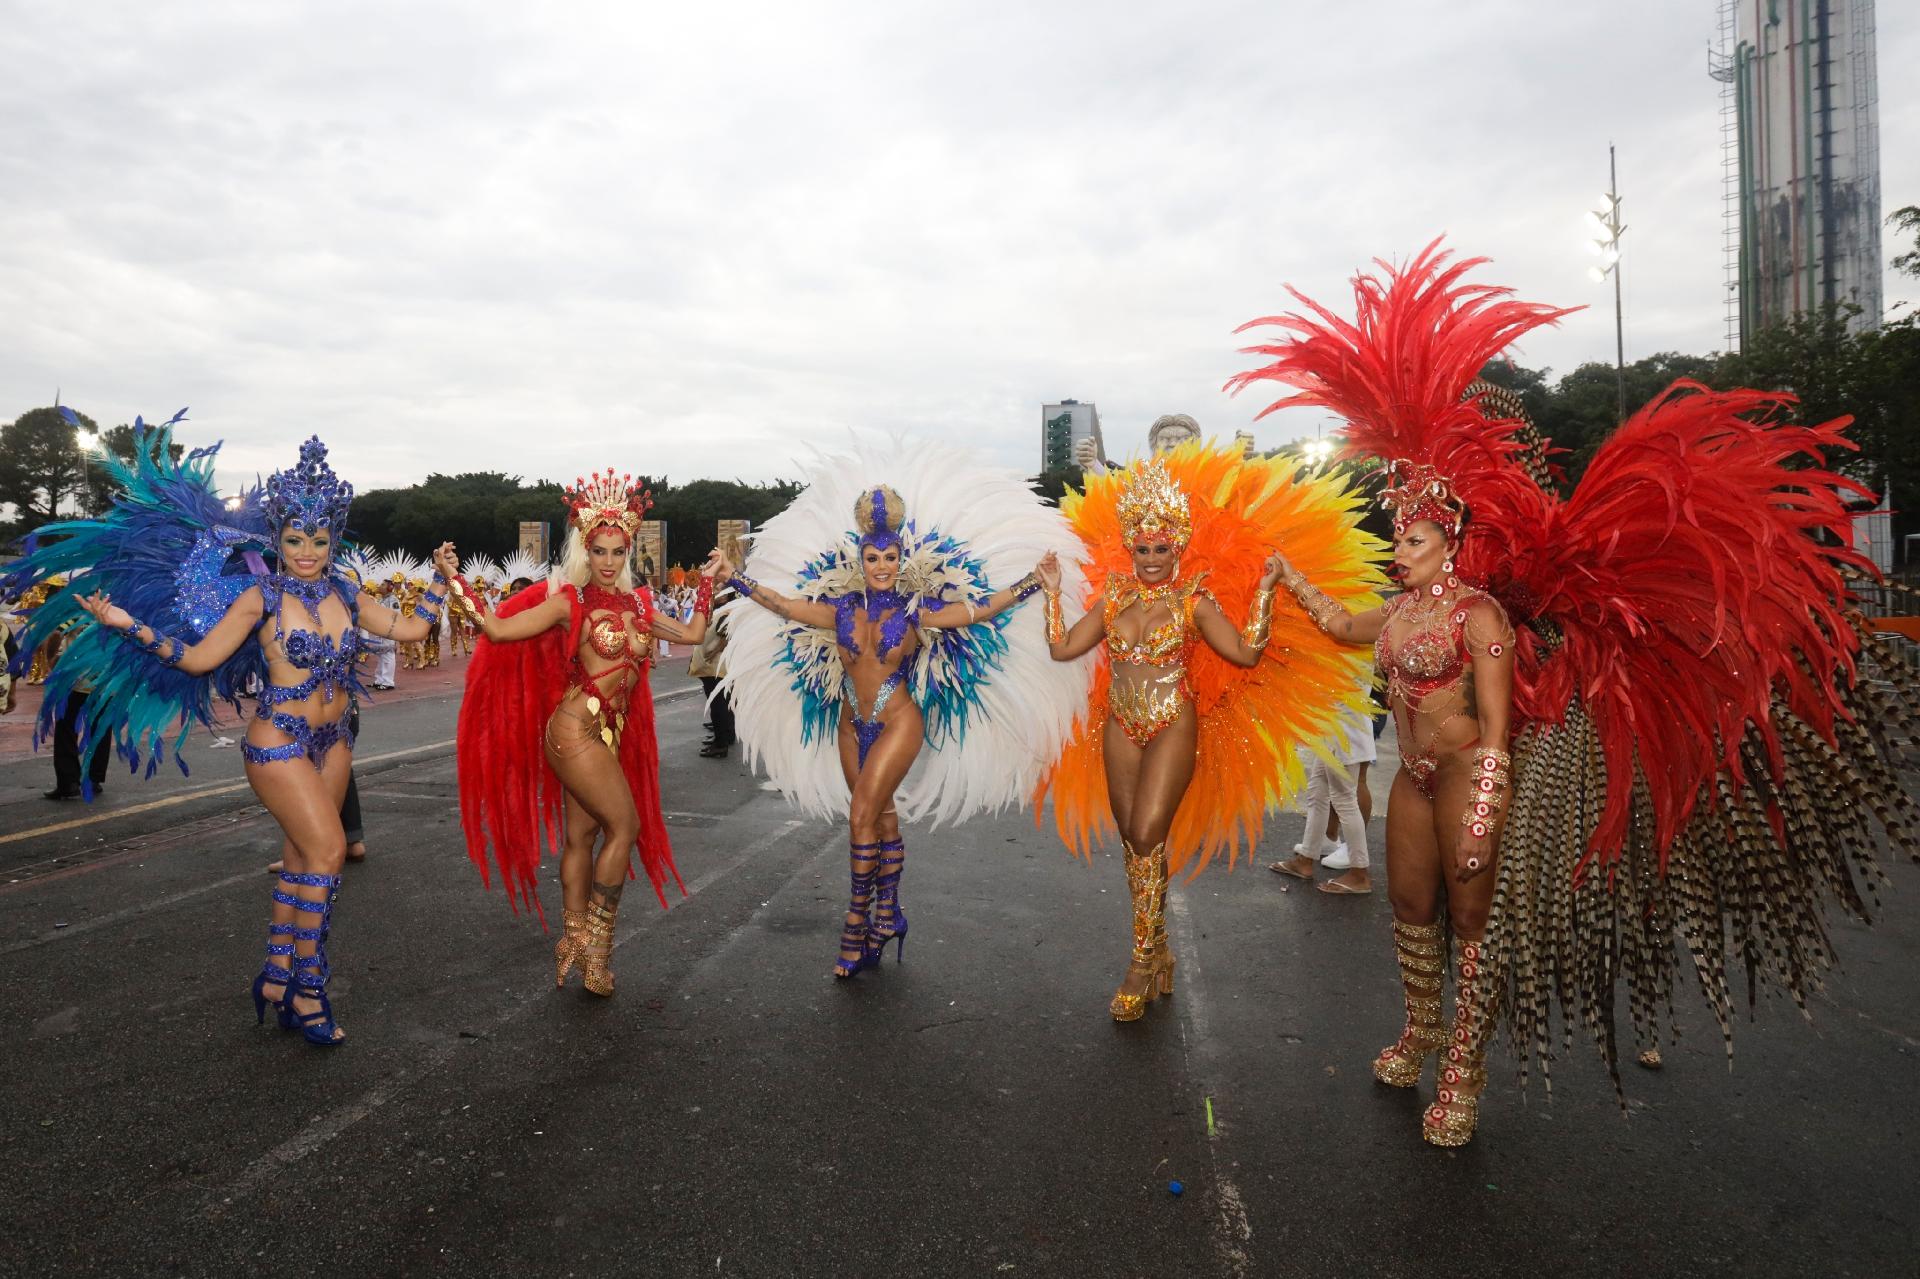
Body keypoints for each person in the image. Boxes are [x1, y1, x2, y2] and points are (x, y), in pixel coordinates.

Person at [1231, 238, 1920, 1146]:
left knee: (1472, 919)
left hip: (1470, 772)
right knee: (1409, 910)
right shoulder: (1393, 614)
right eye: (1396, 537)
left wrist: (1487, 794)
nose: (1398, 548)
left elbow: (1501, 720)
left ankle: (1466, 1070)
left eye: (1412, 538)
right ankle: (1421, 1031)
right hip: (1412, 781)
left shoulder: (1481, 618)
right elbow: (1336, 621)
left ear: (1449, 541)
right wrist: (1284, 576)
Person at [4, 417, 453, 1047]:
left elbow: (411, 631)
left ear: (334, 540)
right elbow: (197, 660)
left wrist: (440, 579)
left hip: (335, 743)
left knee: (303, 857)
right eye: (295, 538)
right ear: (277, 537)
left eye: (319, 539)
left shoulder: (347, 596)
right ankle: (308, 989)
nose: (307, 550)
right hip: (280, 742)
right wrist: (126, 623)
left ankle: (275, 976)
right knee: (327, 854)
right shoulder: (259, 598)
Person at [717, 440, 1091, 980]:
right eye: (873, 558)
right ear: (860, 560)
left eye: (891, 558)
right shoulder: (840, 609)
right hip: (850, 723)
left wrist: (1036, 581)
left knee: (862, 815)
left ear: (901, 560)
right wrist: (736, 577)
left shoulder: (920, 612)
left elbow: (979, 609)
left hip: (898, 720)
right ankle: (889, 914)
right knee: (883, 817)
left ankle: (855, 926)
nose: (883, 567)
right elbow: (784, 605)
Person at [1035, 448, 1384, 1020]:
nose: (1150, 559)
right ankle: (1161, 950)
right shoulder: (1113, 598)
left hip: (1173, 722)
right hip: (1120, 725)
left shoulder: (1194, 602)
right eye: (1142, 549)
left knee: (1149, 831)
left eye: (1161, 548)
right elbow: (1062, 648)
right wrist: (1052, 591)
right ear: (1132, 548)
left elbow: (1246, 655)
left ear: (1177, 546)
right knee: (1133, 841)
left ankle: (1141, 960)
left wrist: (1269, 590)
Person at [455, 470, 718, 996]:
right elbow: (500, 630)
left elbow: (692, 635)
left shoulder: (641, 605)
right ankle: (597, 950)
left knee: (584, 835)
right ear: (585, 550)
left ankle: (572, 941)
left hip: (607, 737)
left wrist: (710, 580)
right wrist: (454, 580)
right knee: (626, 828)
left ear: (629, 552)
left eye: (618, 552)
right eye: (599, 550)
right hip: (574, 731)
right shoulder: (570, 602)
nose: (608, 561)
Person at [1269, 686, 1376, 893]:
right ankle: (1306, 859)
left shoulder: (1358, 651)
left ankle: (1359, 873)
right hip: (1333, 725)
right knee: (1317, 791)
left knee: (1344, 799)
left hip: (1345, 729)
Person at [689, 542, 740, 759]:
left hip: (716, 665)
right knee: (721, 703)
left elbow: (726, 635)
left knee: (718, 704)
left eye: (720, 590)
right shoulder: (720, 608)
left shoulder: (727, 611)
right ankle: (724, 735)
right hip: (715, 664)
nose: (716, 592)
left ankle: (721, 743)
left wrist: (713, 651)